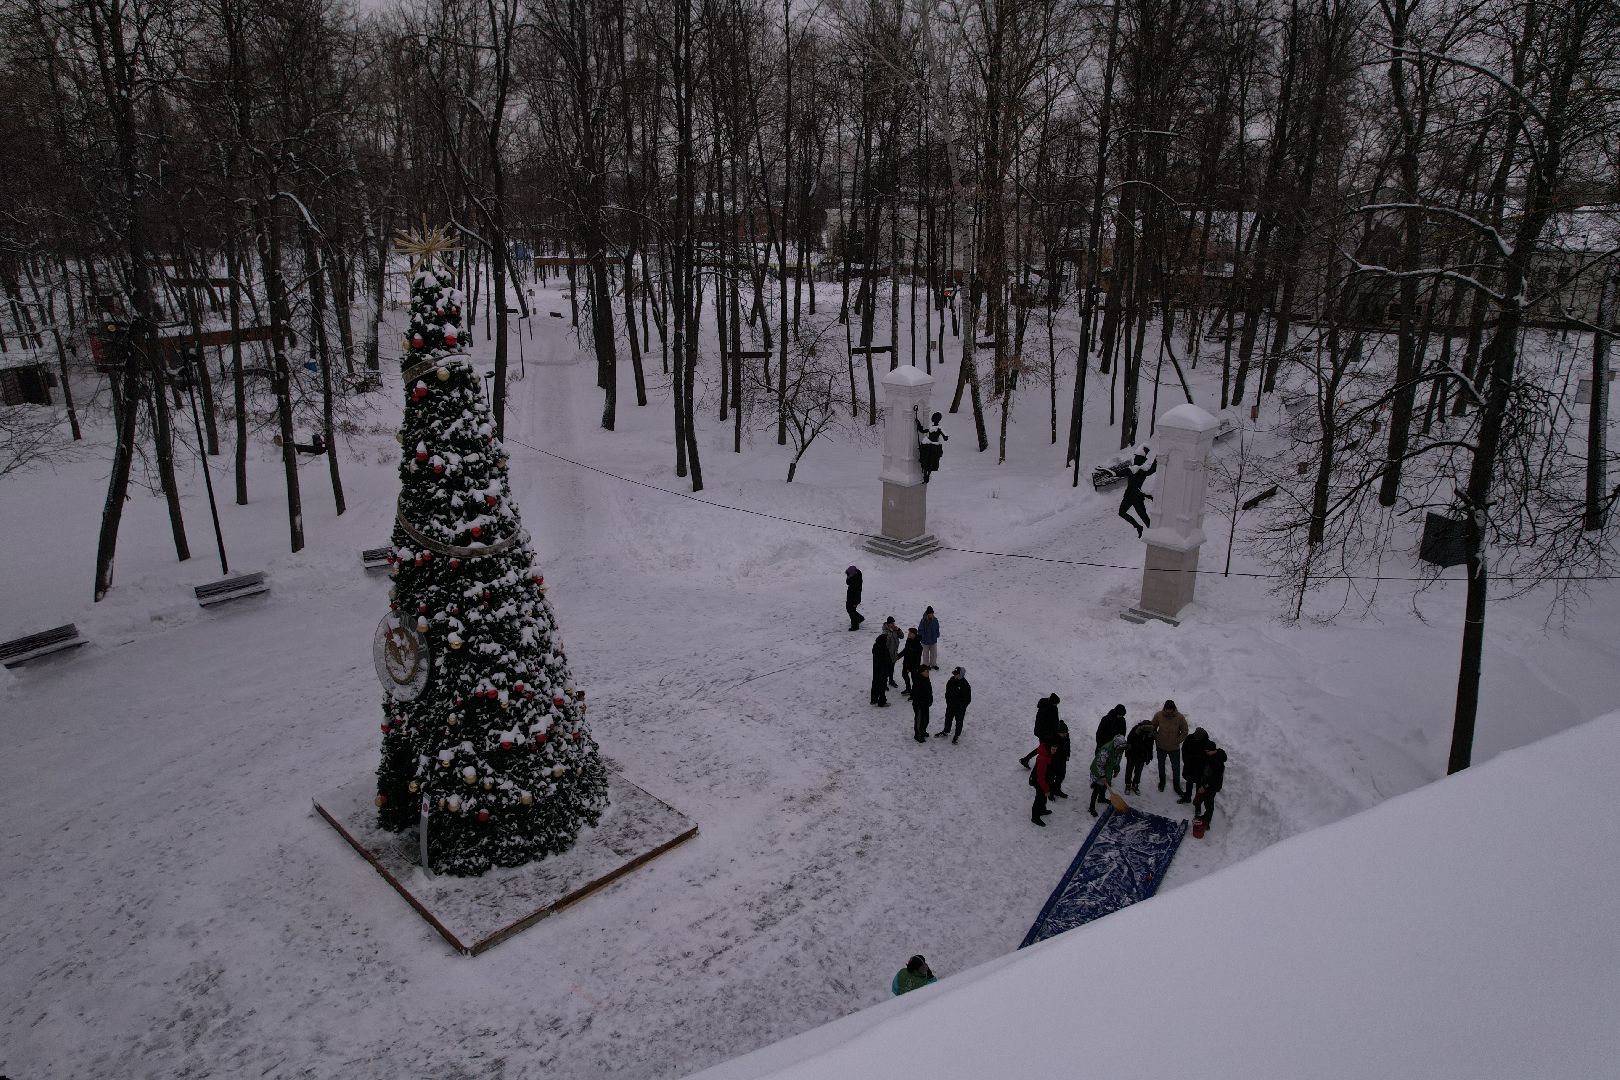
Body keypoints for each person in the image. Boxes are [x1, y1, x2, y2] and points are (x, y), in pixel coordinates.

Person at [1118, 445, 1157, 537]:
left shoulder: (1143, 470)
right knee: (1122, 513)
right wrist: (1110, 472)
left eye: (1137, 458)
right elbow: (1119, 473)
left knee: (1144, 518)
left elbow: (1153, 468)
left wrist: (1158, 456)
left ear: (1141, 460)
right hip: (1128, 496)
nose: (1135, 459)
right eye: (1135, 457)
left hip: (1137, 498)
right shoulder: (1131, 469)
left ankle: (1155, 535)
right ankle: (1138, 527)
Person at [1153, 699, 1189, 796]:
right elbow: (1153, 728)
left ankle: (1176, 785)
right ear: (1164, 708)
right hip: (1161, 747)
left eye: (1170, 709)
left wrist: (1177, 741)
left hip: (1174, 749)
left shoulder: (1180, 717)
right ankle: (1162, 782)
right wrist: (1157, 737)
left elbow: (1185, 731)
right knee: (1161, 765)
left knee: (1176, 768)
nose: (1168, 711)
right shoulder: (1158, 715)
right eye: (1167, 709)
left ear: (1173, 709)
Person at [1088, 734, 1127, 817]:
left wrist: (1116, 770)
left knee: (1106, 785)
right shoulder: (1106, 750)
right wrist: (1102, 776)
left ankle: (1101, 798)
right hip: (1098, 771)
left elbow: (1117, 760)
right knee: (1097, 788)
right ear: (1116, 744)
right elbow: (1099, 764)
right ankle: (1091, 808)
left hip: (1108, 770)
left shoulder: (1119, 749)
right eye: (1120, 748)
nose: (1121, 750)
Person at [1020, 694, 1061, 768]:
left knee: (1043, 747)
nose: (1056, 705)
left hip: (1040, 731)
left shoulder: (1043, 703)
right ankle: (1031, 760)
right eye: (1056, 703)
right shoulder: (1052, 709)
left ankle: (1026, 759)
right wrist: (1055, 732)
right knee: (1044, 748)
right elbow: (1054, 722)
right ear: (1052, 702)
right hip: (1046, 733)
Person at [1194, 740, 1227, 828]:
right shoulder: (1214, 756)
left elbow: (1214, 779)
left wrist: (1204, 786)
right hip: (1209, 785)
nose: (1206, 753)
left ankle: (1207, 822)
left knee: (1209, 804)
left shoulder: (1217, 762)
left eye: (1207, 751)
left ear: (1212, 750)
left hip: (1212, 787)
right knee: (1207, 802)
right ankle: (1205, 818)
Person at [1124, 717, 1157, 795]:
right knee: (1129, 770)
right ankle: (1128, 785)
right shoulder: (1136, 729)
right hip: (1132, 754)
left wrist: (1149, 757)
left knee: (1138, 771)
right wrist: (1127, 752)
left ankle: (1135, 785)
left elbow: (1150, 746)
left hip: (1142, 755)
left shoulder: (1151, 733)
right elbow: (1129, 741)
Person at [937, 666, 971, 742]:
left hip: (959, 708)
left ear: (961, 674)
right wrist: (948, 701)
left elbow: (968, 699)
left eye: (957, 674)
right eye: (954, 673)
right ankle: (946, 731)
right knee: (948, 719)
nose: (955, 675)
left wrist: (962, 707)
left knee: (959, 721)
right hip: (950, 705)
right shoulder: (951, 680)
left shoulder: (965, 685)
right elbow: (947, 691)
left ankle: (957, 735)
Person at [1179, 726, 1211, 804]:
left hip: (1200, 769)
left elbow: (1209, 758)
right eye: (1196, 737)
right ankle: (1187, 797)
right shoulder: (1190, 738)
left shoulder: (1207, 743)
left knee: (1199, 787)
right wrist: (1186, 761)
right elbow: (1184, 750)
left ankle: (1197, 805)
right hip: (1189, 766)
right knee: (1189, 783)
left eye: (1198, 738)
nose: (1196, 739)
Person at [916, 412, 948, 483]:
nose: (934, 420)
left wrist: (945, 436)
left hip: (934, 447)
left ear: (938, 419)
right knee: (926, 461)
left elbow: (944, 434)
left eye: (936, 418)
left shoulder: (939, 428)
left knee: (932, 461)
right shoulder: (931, 427)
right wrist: (918, 423)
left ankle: (927, 474)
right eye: (934, 418)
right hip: (928, 445)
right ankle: (925, 475)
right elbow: (922, 430)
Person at [1029, 737, 1055, 826]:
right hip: (1040, 783)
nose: (1055, 751)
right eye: (1053, 749)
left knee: (1043, 798)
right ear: (1049, 748)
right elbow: (1041, 778)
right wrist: (1047, 789)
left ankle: (1042, 810)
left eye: (1056, 749)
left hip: (1044, 782)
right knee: (1039, 799)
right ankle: (1035, 817)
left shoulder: (1048, 754)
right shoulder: (1043, 760)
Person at [1048, 718, 1072, 798]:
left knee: (1061, 776)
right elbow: (1051, 751)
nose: (1065, 734)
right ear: (1058, 732)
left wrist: (1068, 754)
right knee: (1051, 777)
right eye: (1063, 733)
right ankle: (1051, 792)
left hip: (1062, 760)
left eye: (1066, 732)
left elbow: (1067, 746)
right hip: (1054, 761)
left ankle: (1057, 790)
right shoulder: (1054, 738)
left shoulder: (1066, 737)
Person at [910, 665, 934, 743]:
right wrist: (920, 703)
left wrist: (930, 699)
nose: (928, 673)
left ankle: (923, 731)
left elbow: (929, 691)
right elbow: (914, 694)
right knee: (919, 720)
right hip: (919, 705)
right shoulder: (918, 681)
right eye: (926, 671)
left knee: (926, 719)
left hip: (925, 704)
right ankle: (918, 735)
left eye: (928, 671)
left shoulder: (926, 679)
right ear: (921, 672)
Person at [870, 632, 892, 707]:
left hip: (876, 670)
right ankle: (882, 701)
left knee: (875, 684)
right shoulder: (883, 648)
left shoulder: (875, 646)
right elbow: (886, 660)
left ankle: (874, 699)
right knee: (882, 686)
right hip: (882, 671)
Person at [900, 627, 922, 697]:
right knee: (904, 674)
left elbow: (916, 658)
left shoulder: (918, 645)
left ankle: (915, 692)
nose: (908, 634)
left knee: (914, 679)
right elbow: (906, 650)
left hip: (914, 664)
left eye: (910, 633)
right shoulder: (908, 640)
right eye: (909, 632)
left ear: (914, 634)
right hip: (906, 662)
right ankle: (908, 689)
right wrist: (899, 656)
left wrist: (910, 667)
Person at [883, 617, 902, 688]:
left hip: (894, 653)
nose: (893, 624)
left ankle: (891, 680)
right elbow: (885, 642)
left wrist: (898, 630)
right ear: (888, 624)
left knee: (892, 668)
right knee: (886, 670)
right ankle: (884, 683)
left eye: (893, 623)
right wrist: (890, 632)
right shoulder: (885, 631)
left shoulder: (895, 629)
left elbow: (902, 636)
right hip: (887, 654)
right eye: (891, 623)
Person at [845, 566, 864, 631]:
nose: (849, 575)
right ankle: (860, 618)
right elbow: (847, 583)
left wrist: (856, 602)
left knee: (851, 612)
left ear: (854, 573)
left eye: (850, 574)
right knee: (850, 610)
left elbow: (858, 592)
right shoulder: (852, 576)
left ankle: (855, 626)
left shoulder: (857, 580)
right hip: (850, 596)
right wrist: (848, 577)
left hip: (854, 599)